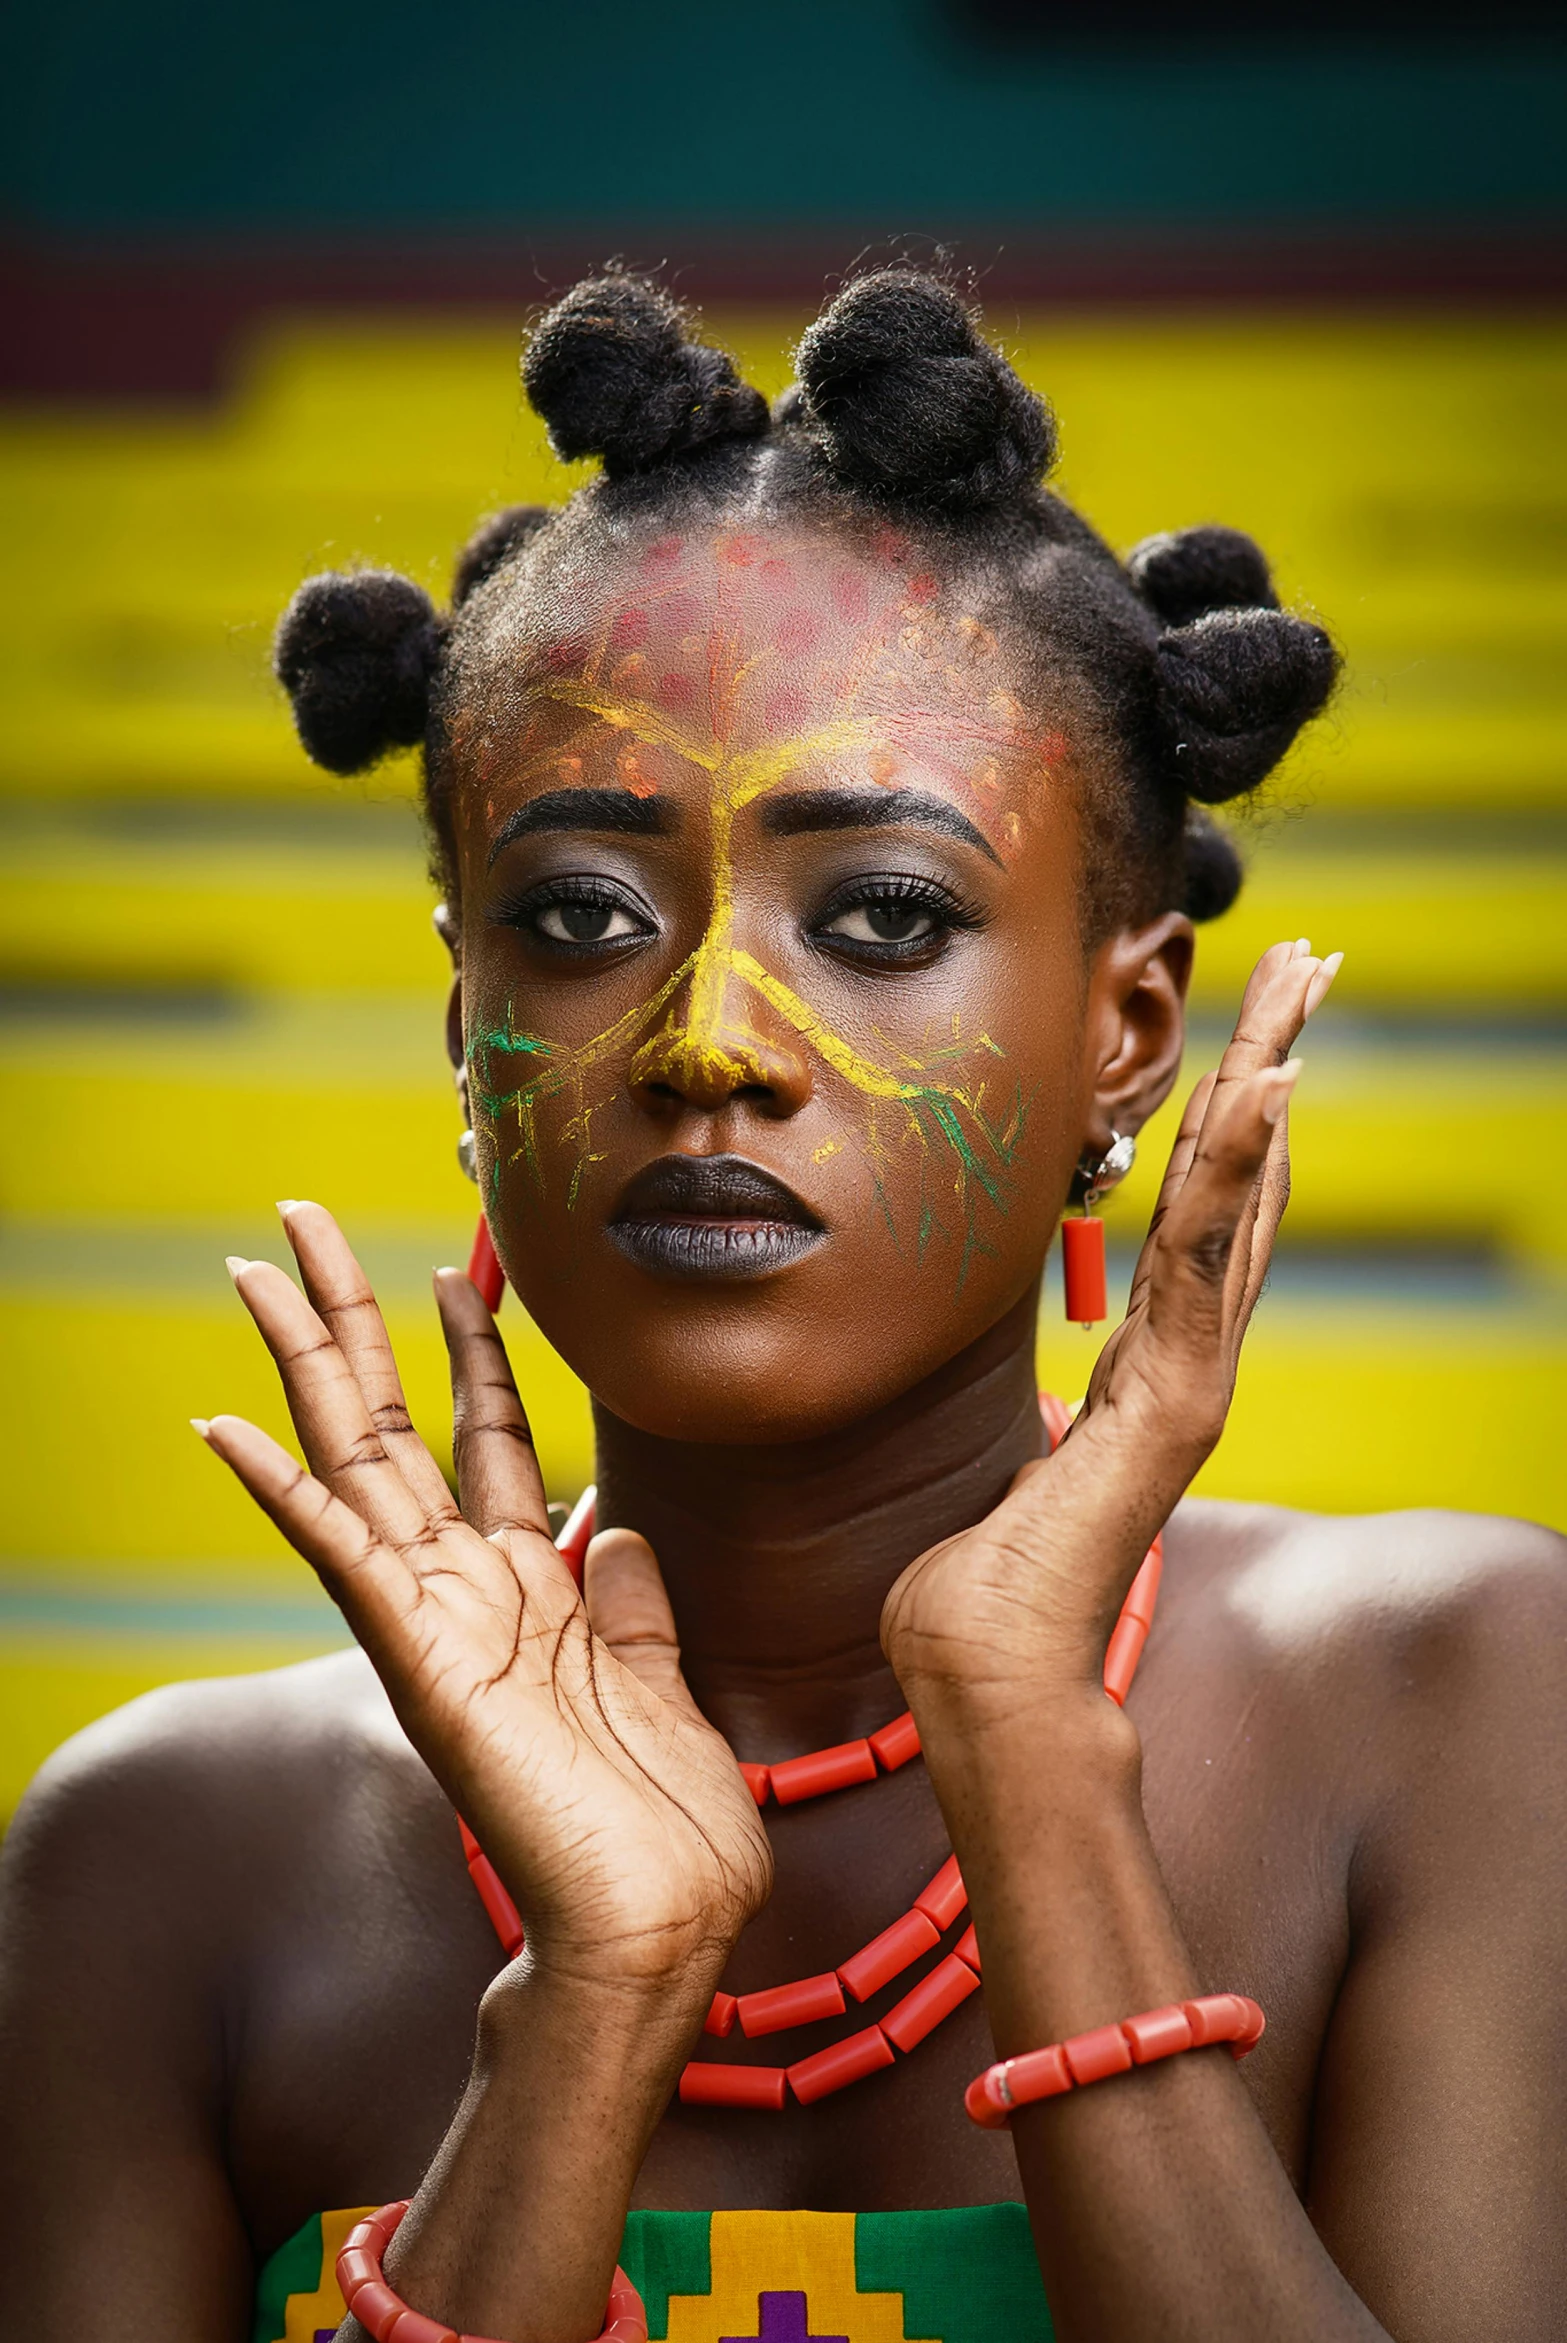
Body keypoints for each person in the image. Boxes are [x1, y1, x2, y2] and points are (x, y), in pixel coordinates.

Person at [2, 268, 1563, 2343]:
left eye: (882, 916)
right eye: (579, 917)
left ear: (1130, 1029)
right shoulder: (149, 1861)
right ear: (466, 1027)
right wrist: (591, 1998)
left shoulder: (1461, 1692)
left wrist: (1029, 1747)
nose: (707, 1039)